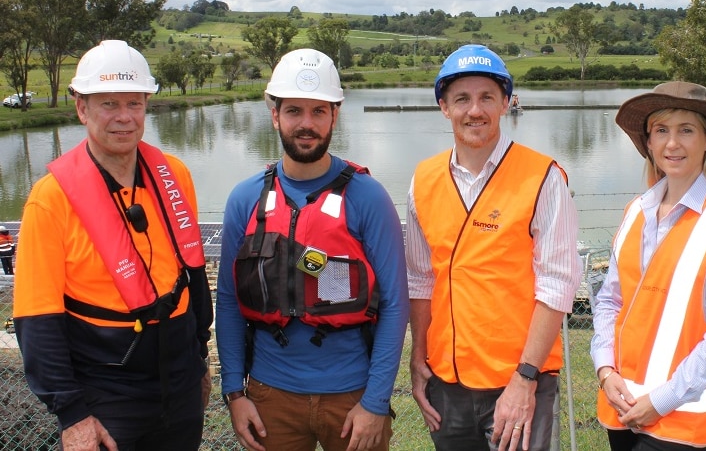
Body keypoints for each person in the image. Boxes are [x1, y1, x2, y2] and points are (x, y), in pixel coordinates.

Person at [13, 40, 213, 451]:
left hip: (180, 381)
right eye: (108, 104)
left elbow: (192, 272)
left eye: (134, 104)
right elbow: (37, 318)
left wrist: (198, 361)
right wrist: (72, 415)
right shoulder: (50, 199)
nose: (124, 118)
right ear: (81, 108)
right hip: (106, 391)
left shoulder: (173, 175)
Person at [215, 48, 409, 451]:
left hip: (352, 397)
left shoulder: (368, 197)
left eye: (319, 111)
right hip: (271, 397)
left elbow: (394, 304)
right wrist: (235, 393)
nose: (307, 124)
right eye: (295, 111)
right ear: (275, 115)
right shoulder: (245, 199)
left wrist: (375, 402)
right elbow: (230, 302)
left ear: (335, 116)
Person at [406, 44, 581, 451]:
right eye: (462, 99)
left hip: (518, 382)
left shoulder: (542, 177)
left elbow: (557, 286)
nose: (475, 110)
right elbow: (420, 278)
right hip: (446, 386)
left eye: (487, 97)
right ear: (443, 107)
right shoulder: (423, 179)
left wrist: (524, 380)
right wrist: (418, 358)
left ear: (505, 103)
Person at [590, 81, 706, 450]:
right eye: (661, 130)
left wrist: (660, 401)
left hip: (681, 421)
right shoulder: (636, 211)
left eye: (686, 130)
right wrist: (605, 370)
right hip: (621, 408)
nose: (672, 143)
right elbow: (608, 301)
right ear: (648, 143)